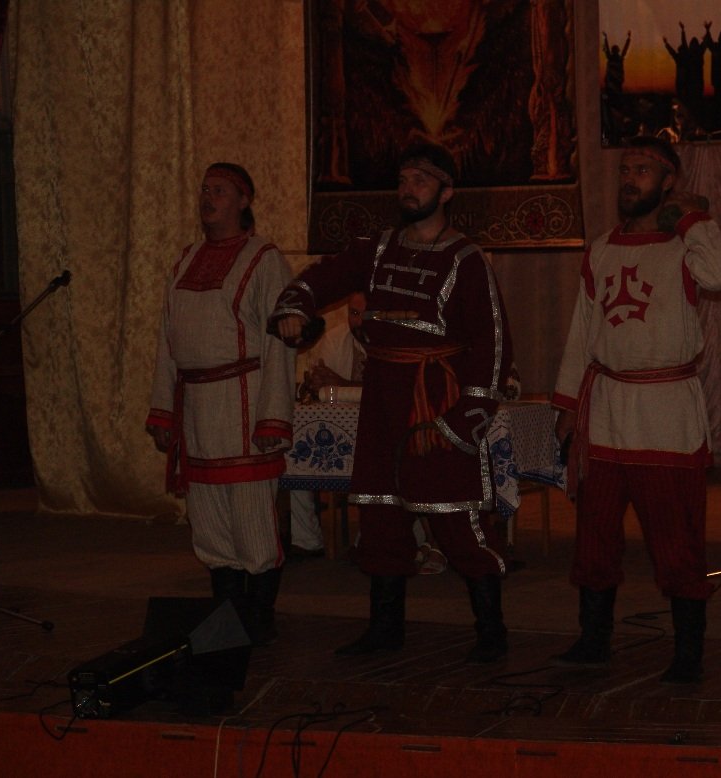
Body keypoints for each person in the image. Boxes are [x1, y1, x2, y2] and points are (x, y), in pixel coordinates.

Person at [270, 142, 514, 664]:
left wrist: (463, 420)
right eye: (403, 179)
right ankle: (385, 630)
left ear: (446, 191)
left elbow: (492, 346)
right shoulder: (377, 248)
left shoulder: (467, 259)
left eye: (421, 179)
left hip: (435, 401)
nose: (408, 188)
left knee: (455, 518)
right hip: (383, 396)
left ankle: (491, 632)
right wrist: (295, 306)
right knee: (379, 514)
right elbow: (323, 277)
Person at [551, 136, 721, 682]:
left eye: (642, 170)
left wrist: (692, 219)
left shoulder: (685, 246)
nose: (629, 179)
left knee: (676, 539)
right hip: (605, 410)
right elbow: (582, 332)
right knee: (594, 536)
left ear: (668, 182)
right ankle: (593, 640)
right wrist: (568, 407)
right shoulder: (602, 248)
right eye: (625, 170)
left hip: (664, 415)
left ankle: (687, 654)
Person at [146, 163, 294, 646]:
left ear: (244, 200)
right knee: (210, 528)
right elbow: (168, 341)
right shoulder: (186, 259)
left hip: (244, 406)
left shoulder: (264, 259)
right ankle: (227, 621)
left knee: (252, 526)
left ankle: (259, 620)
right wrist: (163, 410)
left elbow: (280, 343)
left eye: (221, 190)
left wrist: (273, 417)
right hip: (196, 412)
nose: (208, 198)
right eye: (205, 189)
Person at [287, 292, 368, 559]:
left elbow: (390, 391)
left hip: (379, 432)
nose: (359, 321)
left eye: (365, 314)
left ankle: (368, 542)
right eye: (354, 313)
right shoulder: (334, 338)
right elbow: (322, 388)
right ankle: (306, 539)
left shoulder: (396, 340)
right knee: (296, 452)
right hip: (338, 430)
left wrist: (342, 385)